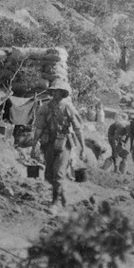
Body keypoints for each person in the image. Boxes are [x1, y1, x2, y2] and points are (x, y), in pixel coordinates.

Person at [31, 80, 85, 212]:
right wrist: (34, 145)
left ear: (63, 94)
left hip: (63, 145)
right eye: (54, 91)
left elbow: (78, 129)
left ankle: (54, 203)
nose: (56, 94)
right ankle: (62, 194)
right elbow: (38, 128)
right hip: (48, 144)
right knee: (49, 175)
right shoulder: (44, 107)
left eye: (59, 92)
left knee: (59, 174)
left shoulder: (68, 108)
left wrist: (82, 148)